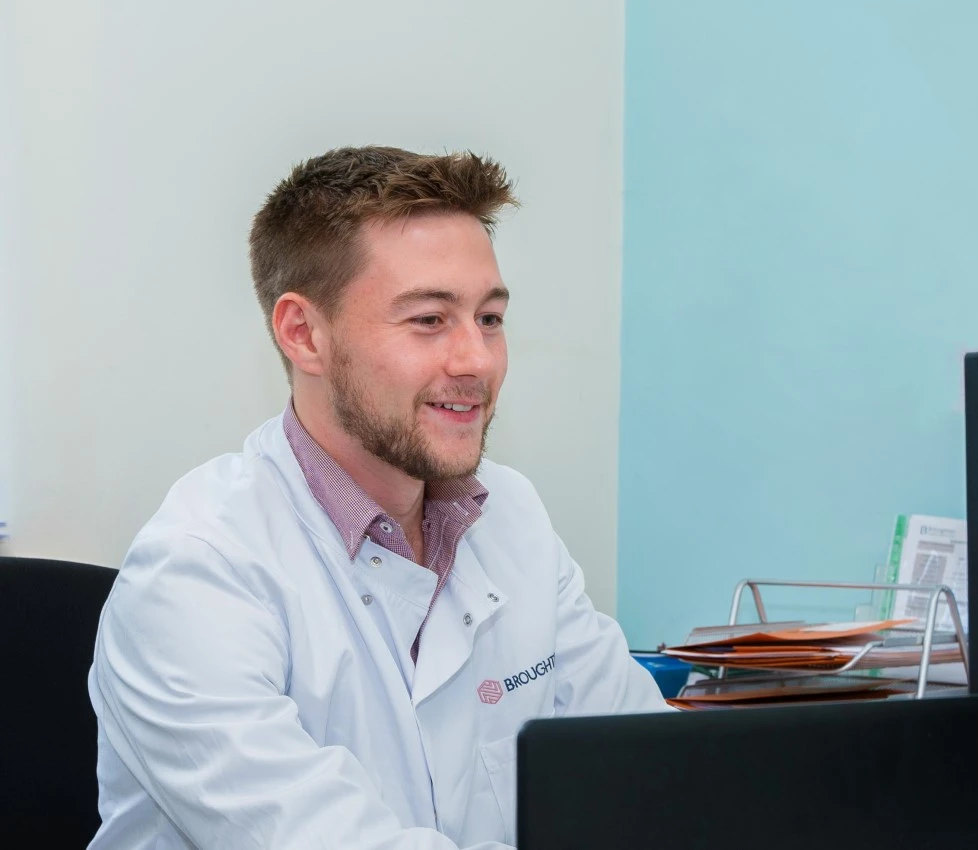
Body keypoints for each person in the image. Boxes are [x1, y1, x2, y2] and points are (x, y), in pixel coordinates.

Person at [88, 146, 668, 849]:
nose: (476, 361)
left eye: (489, 318)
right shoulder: (197, 572)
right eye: (429, 320)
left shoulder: (510, 514)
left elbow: (651, 775)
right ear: (305, 334)